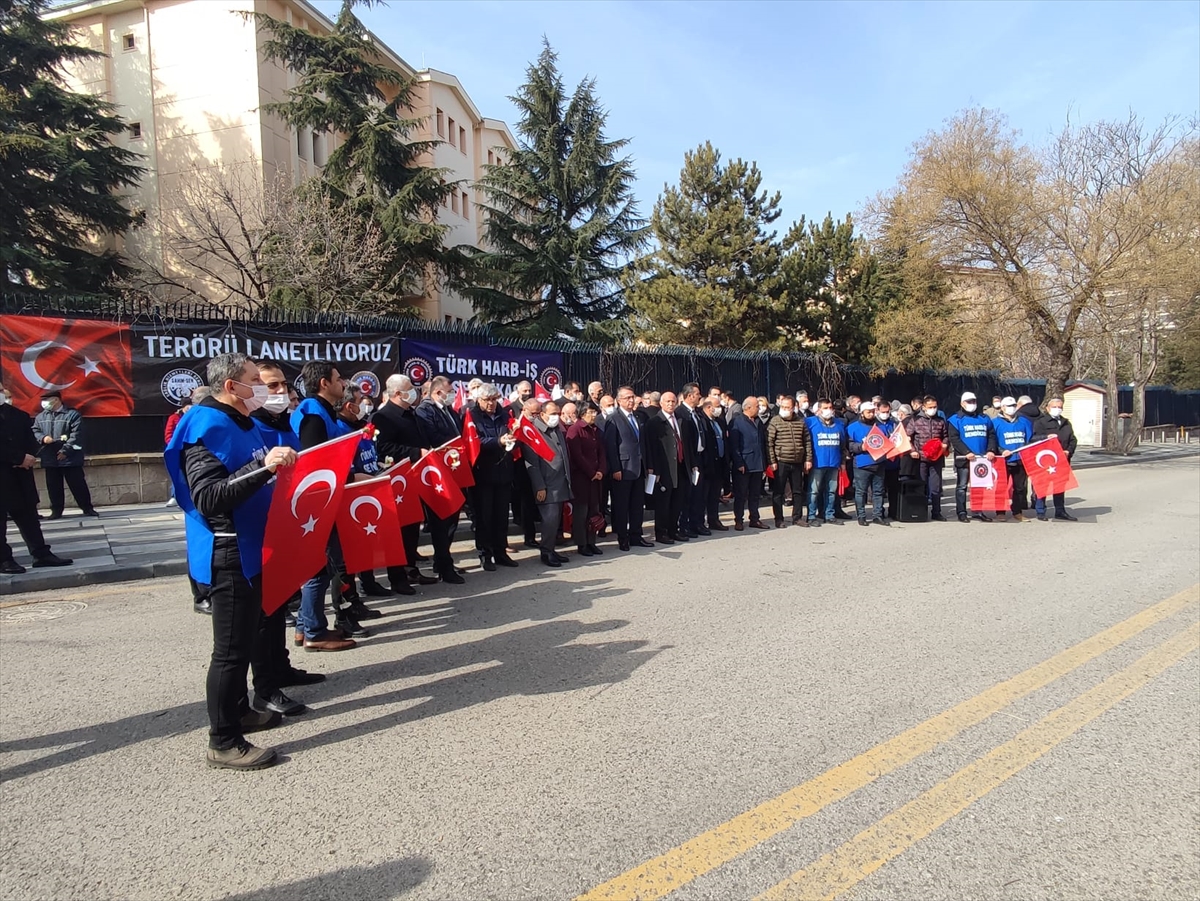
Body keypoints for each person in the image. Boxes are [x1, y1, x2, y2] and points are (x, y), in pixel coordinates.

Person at [164, 352, 299, 770]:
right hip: (229, 551)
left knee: (245, 640)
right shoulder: (206, 426)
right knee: (230, 650)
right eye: (253, 380)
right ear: (231, 387)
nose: (260, 387)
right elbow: (209, 497)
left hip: (251, 546)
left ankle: (240, 711)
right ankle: (223, 741)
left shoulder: (240, 420)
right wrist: (264, 466)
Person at [290, 362, 358, 650]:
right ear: (323, 384)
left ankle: (305, 626)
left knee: (323, 564)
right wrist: (352, 475)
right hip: (316, 501)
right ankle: (314, 631)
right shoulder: (313, 414)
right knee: (320, 565)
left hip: (325, 497)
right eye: (337, 378)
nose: (342, 383)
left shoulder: (321, 411)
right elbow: (315, 462)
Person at [372, 374, 435, 591]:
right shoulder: (383, 417)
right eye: (409, 388)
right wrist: (417, 452)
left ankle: (411, 569)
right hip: (397, 480)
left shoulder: (411, 413)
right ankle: (397, 578)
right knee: (397, 532)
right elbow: (384, 448)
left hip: (414, 477)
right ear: (397, 393)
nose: (414, 392)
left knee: (411, 529)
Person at [1, 380, 72, 573]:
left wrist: (28, 456)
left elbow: (30, 440)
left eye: (2, 390)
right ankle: (4, 559)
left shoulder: (18, 416)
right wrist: (17, 457)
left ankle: (41, 554)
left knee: (28, 517)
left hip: (20, 475)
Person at [415, 375, 466, 584]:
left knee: (453, 517)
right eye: (449, 391)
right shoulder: (425, 411)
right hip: (436, 472)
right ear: (437, 392)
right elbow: (434, 438)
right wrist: (455, 445)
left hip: (453, 469)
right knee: (440, 520)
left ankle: (443, 559)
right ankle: (444, 566)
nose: (452, 394)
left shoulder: (448, 411)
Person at [471, 383, 520, 570]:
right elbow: (474, 441)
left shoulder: (504, 414)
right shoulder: (472, 416)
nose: (491, 404)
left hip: (504, 472)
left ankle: (501, 552)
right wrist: (497, 441)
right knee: (484, 518)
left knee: (501, 517)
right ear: (479, 400)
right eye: (487, 400)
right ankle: (485, 554)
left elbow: (511, 433)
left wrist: (512, 440)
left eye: (494, 399)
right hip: (483, 474)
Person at [32, 391, 98, 518]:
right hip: (50, 457)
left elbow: (76, 436)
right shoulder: (41, 417)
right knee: (53, 486)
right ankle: (56, 510)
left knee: (77, 484)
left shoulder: (72, 415)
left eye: (47, 399)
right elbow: (35, 430)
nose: (44, 403)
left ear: (56, 400)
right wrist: (43, 438)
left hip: (70, 458)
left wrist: (65, 451)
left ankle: (87, 507)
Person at [523, 399, 572, 567]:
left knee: (555, 520)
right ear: (542, 414)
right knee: (549, 520)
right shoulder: (533, 431)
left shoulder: (557, 429)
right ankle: (546, 552)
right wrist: (539, 486)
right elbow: (532, 463)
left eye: (558, 414)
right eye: (552, 414)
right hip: (547, 484)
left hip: (560, 482)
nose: (556, 417)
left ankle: (551, 549)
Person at [604, 385, 652, 551]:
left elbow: (643, 443)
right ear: (619, 400)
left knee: (637, 505)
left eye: (632, 397)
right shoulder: (613, 418)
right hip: (623, 469)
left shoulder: (638, 417)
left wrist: (648, 466)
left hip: (638, 467)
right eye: (627, 398)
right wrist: (615, 468)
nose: (631, 400)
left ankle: (636, 535)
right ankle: (622, 537)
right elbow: (611, 446)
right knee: (622, 505)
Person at [947, 392, 998, 523]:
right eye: (969, 402)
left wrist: (990, 450)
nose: (972, 404)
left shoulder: (984, 418)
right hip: (964, 459)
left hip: (982, 459)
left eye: (974, 401)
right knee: (962, 487)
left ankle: (978, 511)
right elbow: (954, 438)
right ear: (962, 404)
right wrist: (966, 452)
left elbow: (991, 435)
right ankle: (962, 512)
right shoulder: (955, 420)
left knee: (979, 486)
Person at [565, 401, 607, 557]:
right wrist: (591, 473)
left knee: (594, 511)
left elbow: (602, 452)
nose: (594, 415)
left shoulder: (596, 430)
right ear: (582, 413)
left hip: (596, 478)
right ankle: (582, 544)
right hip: (582, 479)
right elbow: (577, 456)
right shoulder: (575, 430)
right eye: (590, 412)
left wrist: (601, 470)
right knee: (581, 513)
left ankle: (592, 542)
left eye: (595, 412)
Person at [766, 395, 812, 528]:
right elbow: (769, 443)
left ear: (793, 408)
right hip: (781, 461)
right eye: (783, 407)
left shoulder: (800, 422)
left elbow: (807, 441)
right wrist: (772, 461)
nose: (785, 409)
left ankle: (797, 517)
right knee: (778, 492)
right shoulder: (775, 421)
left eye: (788, 407)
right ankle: (779, 519)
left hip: (797, 461)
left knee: (797, 491)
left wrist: (808, 459)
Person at [645, 391, 685, 543]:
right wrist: (654, 469)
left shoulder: (680, 420)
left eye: (673, 401)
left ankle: (673, 530)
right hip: (664, 468)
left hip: (679, 466)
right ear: (661, 403)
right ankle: (661, 533)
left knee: (677, 502)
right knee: (663, 503)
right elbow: (651, 448)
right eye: (667, 401)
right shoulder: (655, 422)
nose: (670, 404)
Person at [1031, 397, 1079, 521]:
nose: (1057, 409)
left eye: (1060, 407)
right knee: (1043, 486)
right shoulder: (1040, 422)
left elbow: (1073, 439)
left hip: (1062, 460)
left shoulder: (1065, 422)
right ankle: (1040, 511)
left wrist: (1068, 451)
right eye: (1054, 407)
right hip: (1045, 461)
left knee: (1059, 486)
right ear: (1048, 408)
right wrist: (1045, 436)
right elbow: (1033, 438)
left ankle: (1060, 510)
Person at [904, 395, 951, 521]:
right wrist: (913, 451)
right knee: (921, 486)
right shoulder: (915, 420)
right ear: (924, 407)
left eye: (935, 407)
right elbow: (908, 438)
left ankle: (937, 512)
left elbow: (946, 436)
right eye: (930, 407)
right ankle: (921, 512)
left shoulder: (941, 421)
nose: (933, 409)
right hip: (921, 459)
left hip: (936, 459)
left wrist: (945, 443)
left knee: (935, 488)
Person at [729, 397, 768, 530]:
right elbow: (734, 445)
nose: (759, 408)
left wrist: (765, 463)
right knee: (741, 494)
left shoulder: (758, 421)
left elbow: (763, 442)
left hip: (757, 463)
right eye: (757, 406)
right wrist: (739, 462)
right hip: (744, 464)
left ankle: (755, 519)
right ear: (748, 408)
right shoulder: (737, 421)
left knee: (755, 494)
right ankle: (739, 520)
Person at [846, 400, 888, 526]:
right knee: (860, 491)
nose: (871, 414)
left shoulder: (881, 426)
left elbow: (887, 441)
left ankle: (877, 515)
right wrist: (861, 447)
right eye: (868, 412)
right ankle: (861, 516)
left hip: (879, 463)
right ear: (862, 413)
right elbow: (849, 445)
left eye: (873, 411)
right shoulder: (852, 427)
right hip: (862, 464)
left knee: (878, 491)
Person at [993, 395, 1033, 522]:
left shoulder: (1024, 421)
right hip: (1002, 460)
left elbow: (1030, 439)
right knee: (1001, 487)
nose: (1012, 408)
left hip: (1020, 459)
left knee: (1020, 488)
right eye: (1009, 406)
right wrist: (1001, 450)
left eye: (1014, 405)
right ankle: (1000, 512)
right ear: (1003, 407)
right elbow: (991, 441)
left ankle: (1017, 511)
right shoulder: (995, 423)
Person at [676, 383, 709, 538]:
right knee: (687, 495)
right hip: (688, 459)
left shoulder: (697, 413)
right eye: (697, 394)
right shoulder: (680, 413)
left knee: (699, 494)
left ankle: (698, 523)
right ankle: (684, 525)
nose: (699, 397)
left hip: (700, 456)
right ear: (689, 395)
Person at [806, 399, 846, 526]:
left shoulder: (839, 424)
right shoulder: (810, 422)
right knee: (814, 491)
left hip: (834, 463)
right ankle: (811, 516)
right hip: (818, 463)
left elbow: (842, 446)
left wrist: (843, 462)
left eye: (830, 407)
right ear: (818, 410)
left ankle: (829, 514)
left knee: (831, 491)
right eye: (825, 407)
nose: (828, 410)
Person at [699, 397, 730, 531]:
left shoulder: (720, 421)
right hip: (707, 464)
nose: (720, 409)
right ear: (708, 407)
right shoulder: (702, 421)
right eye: (717, 406)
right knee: (703, 496)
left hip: (719, 463)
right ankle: (700, 522)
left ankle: (714, 520)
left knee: (715, 494)